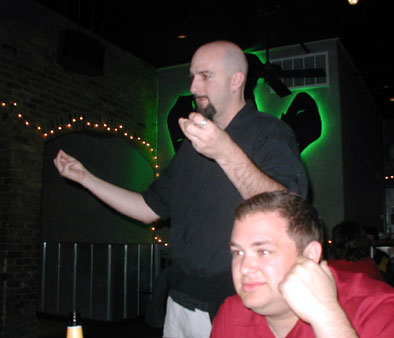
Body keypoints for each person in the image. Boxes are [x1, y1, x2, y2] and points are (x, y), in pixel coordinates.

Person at [54, 40, 307, 338]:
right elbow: (149, 209)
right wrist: (86, 178)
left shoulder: (270, 132)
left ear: (236, 80)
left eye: (205, 76)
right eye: (192, 76)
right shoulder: (192, 145)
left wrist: (224, 151)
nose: (194, 87)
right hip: (179, 302)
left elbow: (287, 209)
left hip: (239, 304)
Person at [211, 191, 394, 338]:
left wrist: (327, 316)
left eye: (263, 251)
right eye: (238, 252)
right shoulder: (232, 313)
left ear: (310, 255)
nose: (244, 268)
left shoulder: (380, 309)